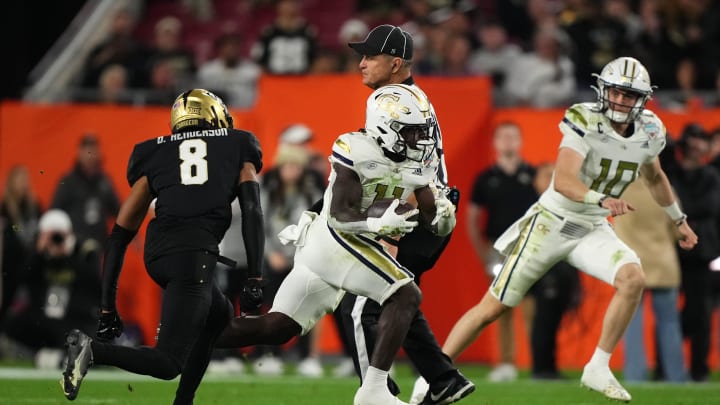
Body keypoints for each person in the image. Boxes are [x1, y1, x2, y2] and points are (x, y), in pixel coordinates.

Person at [176, 83, 456, 405]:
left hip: (344, 245)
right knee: (405, 293)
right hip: (333, 239)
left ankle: (186, 336)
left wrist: (440, 218)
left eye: (421, 130)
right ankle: (374, 391)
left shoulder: (419, 161)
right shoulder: (355, 148)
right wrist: (377, 223)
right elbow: (338, 215)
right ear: (386, 126)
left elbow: (428, 210)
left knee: (277, 327)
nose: (418, 139)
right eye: (409, 131)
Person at [438, 56, 698, 401]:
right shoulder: (584, 118)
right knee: (493, 308)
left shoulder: (651, 129)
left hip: (591, 227)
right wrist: (602, 199)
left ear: (642, 99)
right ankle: (436, 371)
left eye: (629, 95)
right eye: (616, 92)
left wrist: (678, 219)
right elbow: (563, 181)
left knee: (633, 278)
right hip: (552, 223)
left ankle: (598, 367)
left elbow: (655, 176)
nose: (621, 100)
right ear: (603, 91)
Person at [59, 89, 265, 405]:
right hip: (192, 258)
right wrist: (255, 276)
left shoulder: (153, 153)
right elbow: (252, 210)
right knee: (169, 362)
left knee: (218, 312)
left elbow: (119, 236)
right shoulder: (238, 144)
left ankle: (183, 402)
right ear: (214, 116)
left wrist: (106, 306)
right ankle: (92, 350)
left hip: (159, 253)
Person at [341, 24, 474, 404]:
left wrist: (393, 230)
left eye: (370, 56)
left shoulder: (392, 101)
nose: (362, 64)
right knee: (400, 299)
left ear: (396, 62)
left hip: (415, 211)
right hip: (429, 209)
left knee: (361, 305)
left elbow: (411, 171)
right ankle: (444, 379)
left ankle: (377, 394)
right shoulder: (407, 96)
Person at [465, 121, 537, 383]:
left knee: (532, 309)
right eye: (503, 137)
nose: (508, 142)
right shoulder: (485, 178)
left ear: (520, 141)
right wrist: (483, 253)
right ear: (495, 143)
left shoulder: (534, 175)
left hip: (529, 250)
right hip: (498, 248)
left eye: (512, 137)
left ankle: (537, 363)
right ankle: (507, 362)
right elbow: (472, 218)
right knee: (500, 308)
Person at [2, 209, 100, 368]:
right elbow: (23, 279)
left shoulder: (84, 252)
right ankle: (54, 356)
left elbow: (95, 286)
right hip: (44, 318)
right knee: (12, 323)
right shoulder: (39, 258)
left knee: (91, 335)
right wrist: (40, 252)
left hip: (72, 319)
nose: (56, 240)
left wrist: (67, 255)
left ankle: (51, 357)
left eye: (59, 235)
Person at [615, 179, 686, 382]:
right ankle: (677, 377)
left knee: (630, 324)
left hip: (630, 264)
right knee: (670, 324)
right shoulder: (665, 188)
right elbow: (678, 227)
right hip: (664, 264)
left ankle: (635, 376)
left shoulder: (619, 188)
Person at [665, 124, 720, 382]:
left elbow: (707, 206)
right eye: (693, 141)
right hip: (671, 252)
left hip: (702, 255)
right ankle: (666, 367)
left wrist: (681, 216)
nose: (698, 147)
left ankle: (699, 369)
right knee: (667, 312)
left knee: (700, 313)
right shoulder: (671, 173)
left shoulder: (711, 175)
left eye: (702, 141)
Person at [51, 134, 120, 268]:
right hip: (73, 247)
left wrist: (131, 233)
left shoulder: (104, 182)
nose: (90, 155)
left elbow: (118, 210)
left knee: (95, 284)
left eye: (93, 150)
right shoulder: (68, 182)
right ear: (79, 153)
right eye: (87, 151)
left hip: (99, 246)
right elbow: (55, 212)